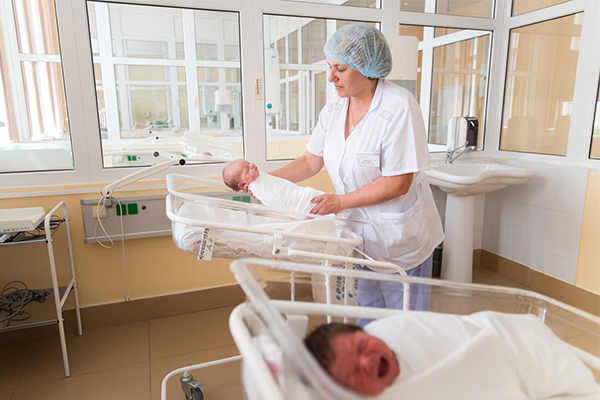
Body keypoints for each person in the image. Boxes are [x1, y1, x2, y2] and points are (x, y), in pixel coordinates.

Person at [267, 23, 444, 319]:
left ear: (367, 68)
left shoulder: (399, 107)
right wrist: (261, 181)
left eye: (340, 69)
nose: (331, 77)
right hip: (361, 237)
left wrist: (339, 202)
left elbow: (398, 183)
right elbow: (309, 162)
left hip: (400, 239)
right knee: (369, 313)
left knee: (405, 324)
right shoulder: (334, 110)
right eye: (329, 67)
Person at [304, 311, 600, 399]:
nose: (367, 362)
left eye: (361, 347)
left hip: (518, 344)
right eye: (354, 375)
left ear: (366, 332)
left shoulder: (394, 329)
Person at [222, 158, 327, 215]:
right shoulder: (257, 187)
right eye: (247, 169)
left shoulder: (258, 179)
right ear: (243, 184)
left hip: (302, 194)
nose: (252, 165)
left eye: (248, 163)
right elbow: (278, 199)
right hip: (302, 204)